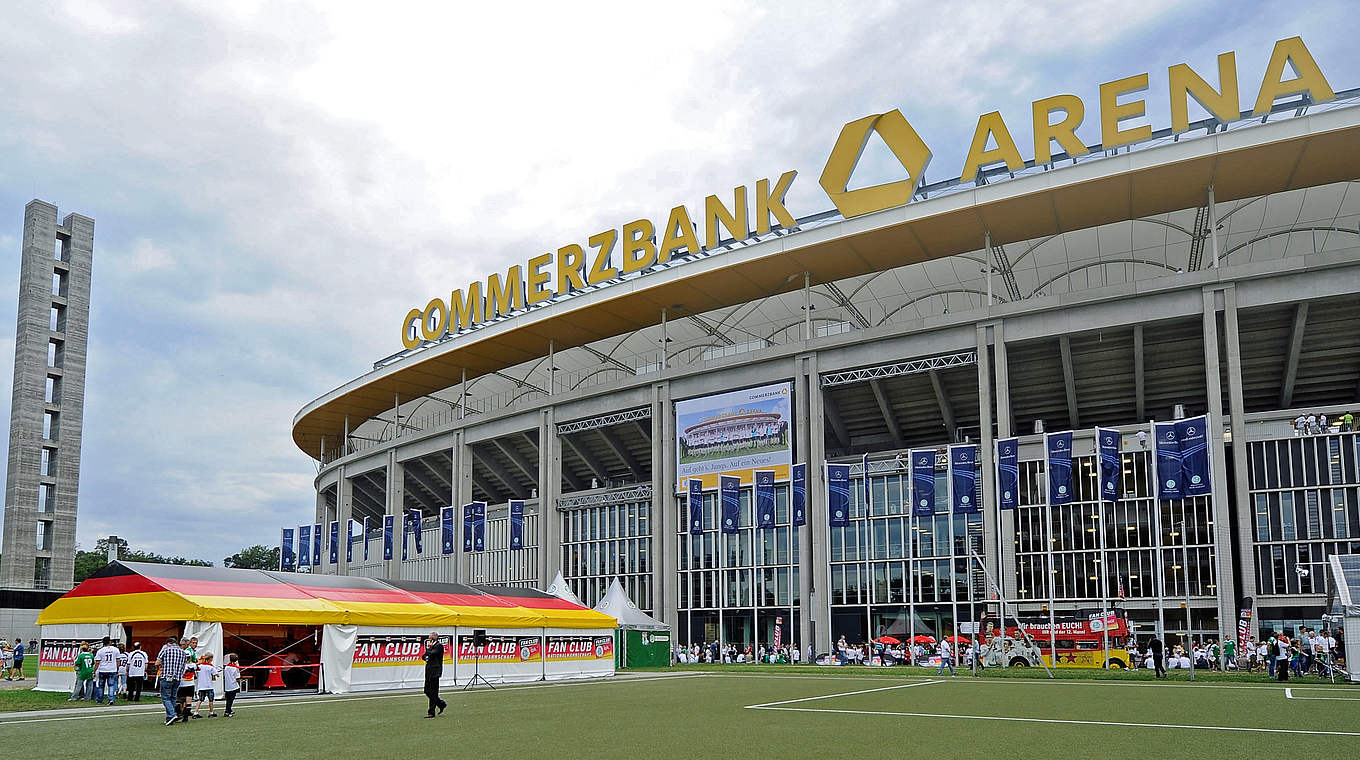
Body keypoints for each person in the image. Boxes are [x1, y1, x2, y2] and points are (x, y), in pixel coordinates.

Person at [156, 637, 188, 726]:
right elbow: (184, 666)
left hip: (166, 676)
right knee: (173, 698)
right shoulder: (183, 652)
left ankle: (172, 714)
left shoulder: (166, 650)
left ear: (168, 644)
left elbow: (157, 662)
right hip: (177, 678)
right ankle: (169, 718)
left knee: (165, 698)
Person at [422, 631, 447, 718]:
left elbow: (432, 654)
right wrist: (427, 655)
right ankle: (441, 704)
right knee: (427, 691)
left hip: (435, 672)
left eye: (430, 638)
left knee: (433, 691)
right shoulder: (431, 647)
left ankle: (431, 712)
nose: (429, 639)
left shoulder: (439, 646)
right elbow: (424, 656)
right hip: (428, 671)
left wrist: (429, 649)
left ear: (434, 638)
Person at [93, 636, 120, 705]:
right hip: (112, 669)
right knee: (111, 685)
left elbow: (97, 662)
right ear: (110, 642)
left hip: (103, 669)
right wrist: (117, 669)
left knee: (101, 686)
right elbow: (118, 660)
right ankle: (111, 699)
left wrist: (94, 670)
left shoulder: (100, 651)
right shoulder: (115, 650)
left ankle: (100, 699)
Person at [193, 652, 219, 717]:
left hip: (201, 686)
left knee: (200, 699)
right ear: (210, 658)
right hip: (209, 686)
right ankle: (211, 712)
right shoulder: (210, 667)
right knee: (211, 700)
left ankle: (196, 712)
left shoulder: (199, 666)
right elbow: (216, 674)